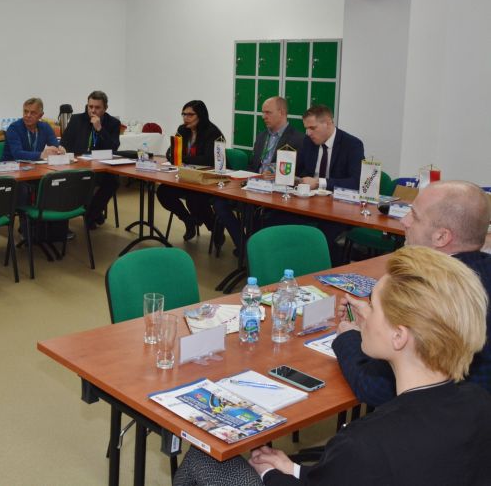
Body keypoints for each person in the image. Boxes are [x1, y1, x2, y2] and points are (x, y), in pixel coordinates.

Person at [173, 246, 491, 486]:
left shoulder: (365, 443)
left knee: (205, 457)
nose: (363, 311)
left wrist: (271, 474)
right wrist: (295, 470)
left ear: (399, 336)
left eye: (373, 305)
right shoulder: (479, 404)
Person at [333, 180, 491, 405]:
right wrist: (377, 319)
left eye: (414, 216)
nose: (404, 221)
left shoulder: (433, 291)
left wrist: (347, 335)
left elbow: (376, 388)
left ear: (441, 237)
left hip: (442, 419)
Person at [266, 103, 365, 256]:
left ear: (328, 123)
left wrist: (319, 182)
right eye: (306, 128)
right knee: (271, 220)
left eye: (312, 128)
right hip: (309, 204)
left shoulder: (352, 144)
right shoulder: (309, 142)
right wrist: (284, 175)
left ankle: (323, 265)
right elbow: (300, 170)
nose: (308, 133)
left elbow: (356, 182)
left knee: (322, 236)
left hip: (337, 209)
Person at [212, 97, 304, 252]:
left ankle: (251, 248)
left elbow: (299, 172)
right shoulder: (262, 136)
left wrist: (276, 176)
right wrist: (249, 178)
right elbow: (253, 165)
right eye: (263, 112)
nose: (263, 116)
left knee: (253, 211)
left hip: (276, 191)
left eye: (268, 112)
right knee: (219, 203)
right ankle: (245, 247)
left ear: (281, 113)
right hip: (254, 185)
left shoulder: (298, 139)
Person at [157, 100, 224, 244]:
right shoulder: (182, 130)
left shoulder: (212, 133)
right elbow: (170, 153)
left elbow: (208, 160)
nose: (186, 118)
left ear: (201, 115)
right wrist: (179, 157)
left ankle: (214, 228)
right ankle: (188, 220)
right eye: (184, 114)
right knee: (163, 192)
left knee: (195, 199)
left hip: (207, 179)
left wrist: (182, 158)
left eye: (190, 115)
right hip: (186, 177)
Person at [60, 90, 120, 228]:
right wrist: (62, 149)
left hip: (101, 166)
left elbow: (113, 147)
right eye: (90, 106)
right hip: (78, 165)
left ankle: (90, 215)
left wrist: (100, 129)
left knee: (113, 182)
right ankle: (94, 214)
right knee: (85, 181)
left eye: (97, 107)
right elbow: (65, 142)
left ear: (105, 108)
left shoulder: (113, 123)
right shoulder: (77, 119)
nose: (93, 110)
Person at [2, 97, 65, 162]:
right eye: (25, 111)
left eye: (33, 113)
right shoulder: (14, 128)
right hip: (10, 165)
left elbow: (55, 145)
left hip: (34, 165)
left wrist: (59, 149)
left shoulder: (45, 127)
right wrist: (41, 155)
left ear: (40, 115)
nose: (28, 115)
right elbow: (17, 154)